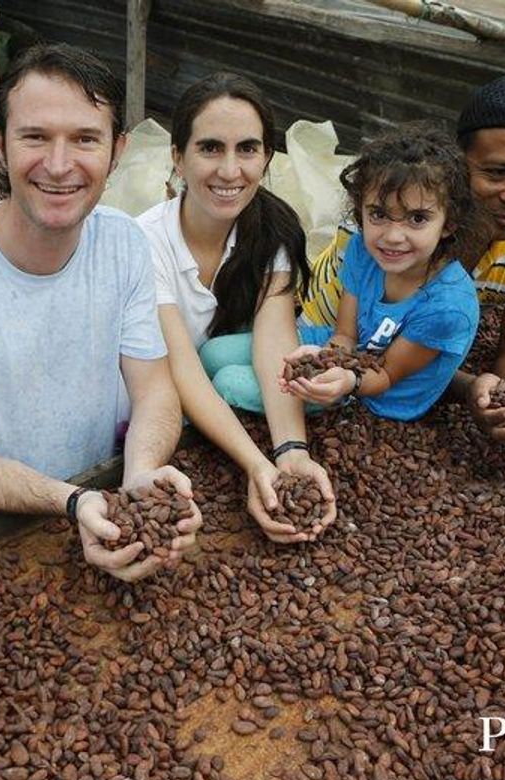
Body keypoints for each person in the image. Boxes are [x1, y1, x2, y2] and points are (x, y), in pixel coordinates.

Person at [0, 44, 201, 583]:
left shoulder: (124, 242)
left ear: (118, 150)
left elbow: (154, 387)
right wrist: (72, 502)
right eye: (35, 136)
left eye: (85, 139)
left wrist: (142, 474)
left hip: (96, 493)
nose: (59, 166)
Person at [298, 73, 505, 447]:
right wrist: (467, 387)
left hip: (408, 353)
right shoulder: (378, 229)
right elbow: (357, 347)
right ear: (458, 165)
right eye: (498, 172)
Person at [134, 73, 336, 544]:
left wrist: (291, 453)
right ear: (177, 158)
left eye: (247, 149)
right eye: (209, 148)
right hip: (156, 382)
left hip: (207, 370)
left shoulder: (272, 230)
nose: (230, 170)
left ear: (267, 158)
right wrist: (255, 464)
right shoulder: (144, 242)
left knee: (233, 363)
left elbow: (274, 342)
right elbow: (180, 369)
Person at [283, 124, 482, 422]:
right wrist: (325, 359)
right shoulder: (362, 250)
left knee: (232, 382)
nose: (392, 236)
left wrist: (345, 380)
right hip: (345, 356)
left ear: (449, 223)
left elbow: (386, 375)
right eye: (378, 214)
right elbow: (345, 334)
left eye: (417, 218)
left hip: (377, 401)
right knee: (219, 353)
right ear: (359, 211)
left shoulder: (448, 306)